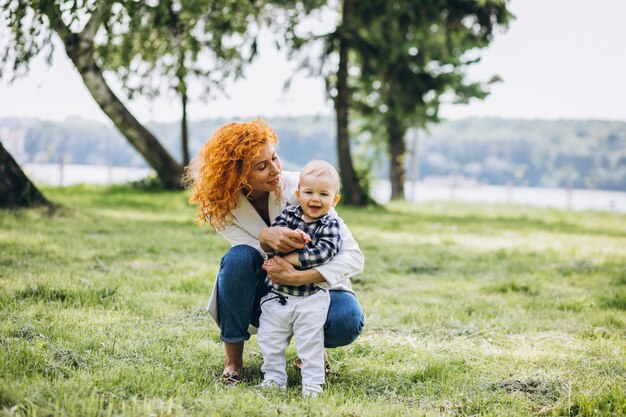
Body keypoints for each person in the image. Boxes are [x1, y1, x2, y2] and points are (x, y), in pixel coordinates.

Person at [185, 119, 365, 387]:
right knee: (238, 259)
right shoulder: (220, 207)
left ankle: (312, 352)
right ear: (237, 175)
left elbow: (353, 255)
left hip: (314, 287)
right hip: (266, 291)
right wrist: (265, 238)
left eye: (275, 158)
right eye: (262, 166)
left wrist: (301, 277)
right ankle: (233, 361)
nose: (275, 170)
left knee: (346, 321)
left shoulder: (302, 189)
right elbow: (249, 253)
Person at [258, 160, 346, 397]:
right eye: (309, 192)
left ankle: (313, 385)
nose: (315, 199)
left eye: (323, 194)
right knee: (270, 339)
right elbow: (274, 240)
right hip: (278, 296)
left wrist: (291, 258)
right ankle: (274, 378)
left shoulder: (330, 225)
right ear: (298, 194)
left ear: (334, 200)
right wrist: (287, 238)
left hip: (310, 298)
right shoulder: (288, 215)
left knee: (310, 344)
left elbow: (324, 252)